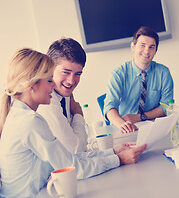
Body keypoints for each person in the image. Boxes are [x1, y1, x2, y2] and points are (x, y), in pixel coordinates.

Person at [0, 48, 147, 197]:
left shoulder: (20, 116)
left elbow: (68, 159)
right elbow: (73, 167)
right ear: (32, 86)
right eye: (50, 80)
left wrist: (113, 152)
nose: (53, 85)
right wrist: (119, 160)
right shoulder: (29, 121)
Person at [104, 26, 174, 133]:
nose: (147, 51)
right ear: (133, 46)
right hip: (126, 128)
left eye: (152, 47)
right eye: (142, 45)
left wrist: (139, 117)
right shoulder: (118, 74)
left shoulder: (163, 73)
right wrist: (123, 124)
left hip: (154, 128)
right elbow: (109, 107)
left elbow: (166, 107)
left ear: (156, 50)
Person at [37, 38, 88, 154]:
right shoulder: (46, 99)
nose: (71, 81)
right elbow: (75, 150)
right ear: (50, 68)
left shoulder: (64, 93)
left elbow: (79, 146)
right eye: (66, 72)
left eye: (77, 74)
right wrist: (78, 114)